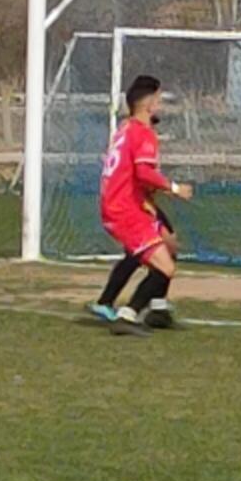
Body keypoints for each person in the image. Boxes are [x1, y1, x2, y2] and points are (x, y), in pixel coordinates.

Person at [91, 74, 195, 335]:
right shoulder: (142, 133)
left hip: (127, 203)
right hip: (126, 209)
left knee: (168, 243)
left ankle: (157, 309)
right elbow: (144, 173)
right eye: (158, 99)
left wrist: (149, 199)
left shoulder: (126, 128)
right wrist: (174, 189)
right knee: (164, 266)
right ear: (148, 104)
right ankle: (127, 315)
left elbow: (130, 173)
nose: (160, 104)